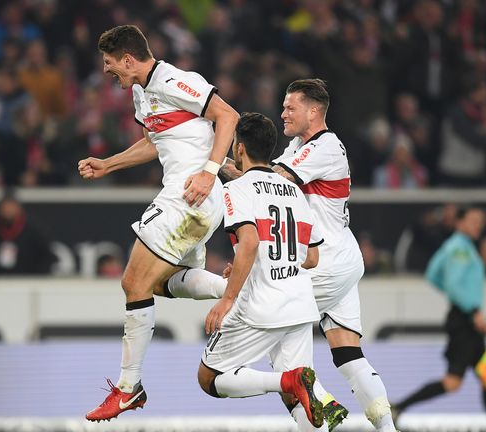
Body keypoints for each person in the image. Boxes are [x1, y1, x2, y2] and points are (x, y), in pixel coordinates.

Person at [169, 79, 396, 432]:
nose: (283, 113)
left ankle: (321, 400)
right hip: (325, 252)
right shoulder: (295, 146)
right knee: (348, 354)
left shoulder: (326, 145)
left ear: (314, 111)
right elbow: (260, 173)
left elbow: (270, 179)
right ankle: (385, 427)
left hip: (325, 259)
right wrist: (217, 163)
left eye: (291, 108)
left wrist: (216, 165)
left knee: (278, 319)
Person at [78, 25, 238, 422]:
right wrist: (109, 164)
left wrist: (209, 171)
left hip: (190, 194)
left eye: (110, 63)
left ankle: (128, 389)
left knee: (132, 283)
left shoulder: (174, 80)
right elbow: (155, 141)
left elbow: (228, 116)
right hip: (193, 200)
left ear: (129, 60)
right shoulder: (140, 93)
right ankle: (239, 289)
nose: (106, 70)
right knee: (157, 285)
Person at [197, 112, 324, 429]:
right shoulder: (293, 191)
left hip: (262, 306)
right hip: (300, 303)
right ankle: (303, 392)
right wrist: (254, 262)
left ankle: (285, 381)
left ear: (239, 149)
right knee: (303, 400)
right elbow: (312, 257)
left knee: (209, 378)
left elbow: (250, 241)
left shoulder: (237, 189)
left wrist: (227, 299)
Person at [391, 206, 486, 432]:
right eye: (473, 221)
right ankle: (398, 407)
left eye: (480, 222)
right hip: (466, 320)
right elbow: (452, 284)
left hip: (465, 318)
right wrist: (473, 311)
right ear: (459, 222)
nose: (478, 225)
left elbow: (433, 274)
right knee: (454, 382)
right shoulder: (461, 249)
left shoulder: (454, 246)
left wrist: (459, 299)